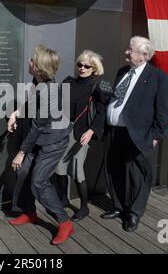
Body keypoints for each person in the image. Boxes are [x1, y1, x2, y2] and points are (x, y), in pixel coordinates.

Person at [101, 36, 168, 232]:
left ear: (143, 55)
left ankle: (134, 213)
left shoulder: (159, 77)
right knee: (114, 169)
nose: (126, 52)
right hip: (114, 132)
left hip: (138, 135)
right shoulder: (123, 72)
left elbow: (163, 111)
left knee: (137, 175)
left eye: (130, 50)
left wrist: (156, 136)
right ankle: (118, 206)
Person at [7, 44, 73, 245]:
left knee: (38, 182)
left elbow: (37, 126)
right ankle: (30, 212)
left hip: (53, 141)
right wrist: (16, 113)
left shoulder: (48, 92)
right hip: (39, 138)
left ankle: (64, 222)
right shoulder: (38, 82)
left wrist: (21, 152)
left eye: (32, 60)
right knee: (23, 172)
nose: (29, 62)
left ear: (38, 67)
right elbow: (29, 105)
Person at [55, 50, 111, 222]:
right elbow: (56, 103)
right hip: (64, 130)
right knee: (59, 167)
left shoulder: (97, 87)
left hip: (82, 134)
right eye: (80, 64)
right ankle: (63, 199)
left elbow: (101, 113)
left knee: (77, 170)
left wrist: (91, 131)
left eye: (87, 66)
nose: (82, 68)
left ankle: (84, 207)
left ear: (94, 69)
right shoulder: (68, 82)